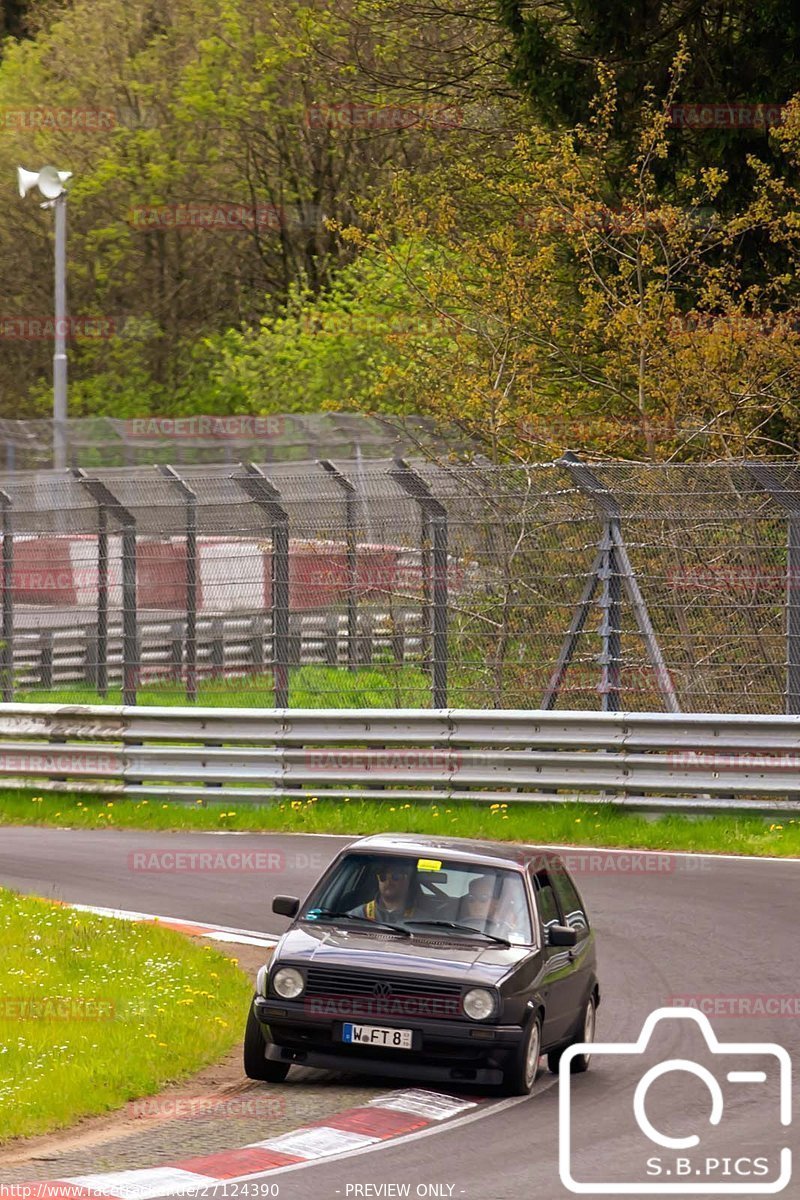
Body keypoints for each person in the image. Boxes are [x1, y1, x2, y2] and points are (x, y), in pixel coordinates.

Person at [348, 859, 420, 924]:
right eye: (383, 877)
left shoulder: (422, 920)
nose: (388, 882)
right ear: (378, 881)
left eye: (395, 876)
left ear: (407, 881)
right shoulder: (357, 916)